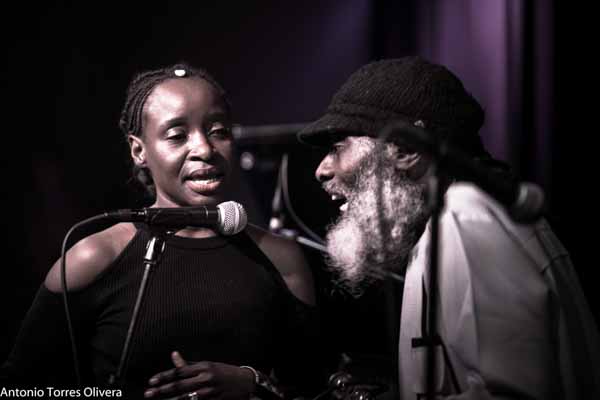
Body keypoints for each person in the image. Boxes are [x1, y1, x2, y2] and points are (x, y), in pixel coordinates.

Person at [2, 62, 320, 399]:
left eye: (218, 131)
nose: (205, 149)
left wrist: (252, 384)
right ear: (139, 150)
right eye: (177, 136)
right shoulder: (92, 258)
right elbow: (18, 389)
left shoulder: (281, 257)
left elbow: (316, 387)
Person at [298, 56, 600, 399]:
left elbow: (517, 394)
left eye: (338, 147)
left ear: (406, 151)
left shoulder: (471, 217)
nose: (322, 170)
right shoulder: (454, 219)